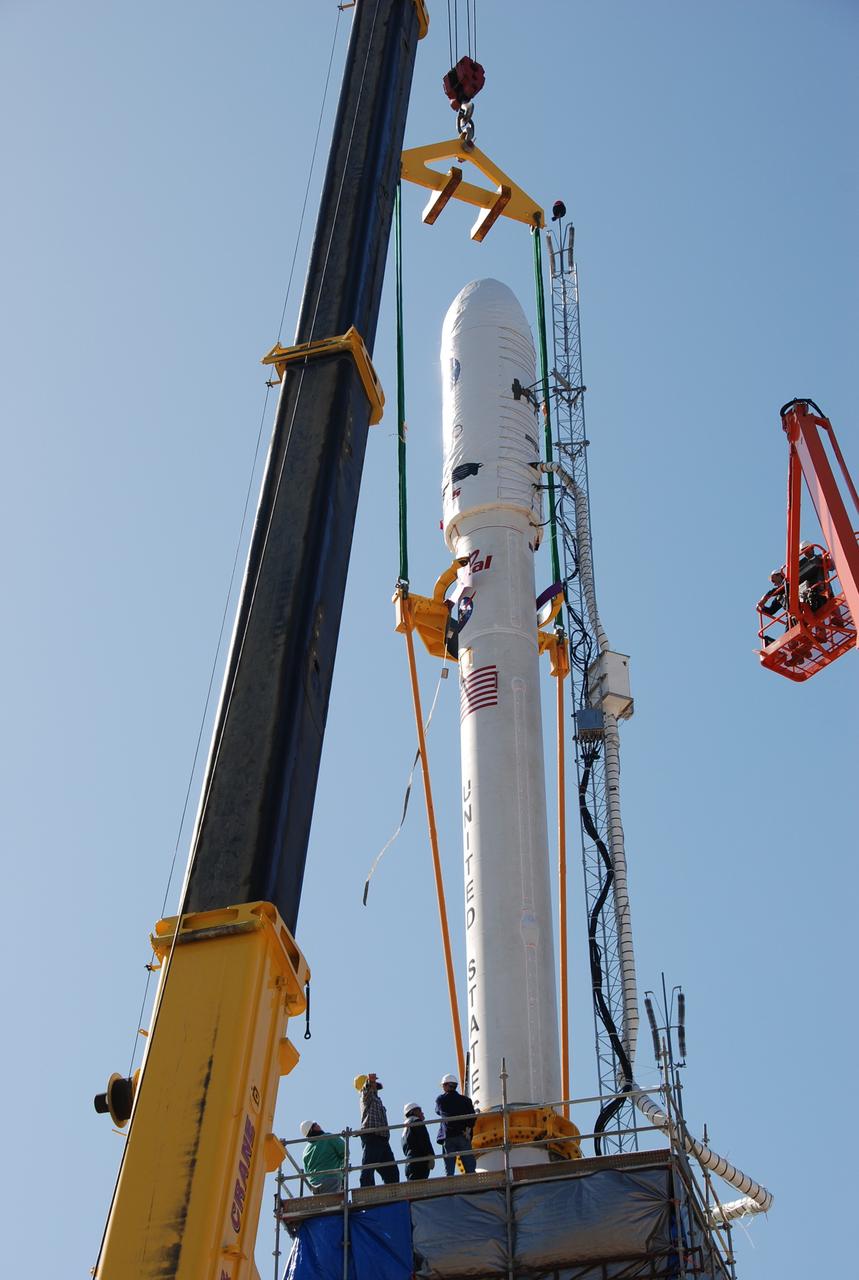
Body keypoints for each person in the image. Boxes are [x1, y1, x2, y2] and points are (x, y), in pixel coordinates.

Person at [355, 1072, 399, 1186]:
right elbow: (366, 1091)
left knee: (392, 1172)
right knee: (368, 1169)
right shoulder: (366, 1097)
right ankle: (366, 1192)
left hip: (382, 1138)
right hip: (372, 1136)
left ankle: (393, 1192)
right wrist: (369, 1082)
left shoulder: (376, 1099)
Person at [435, 1073, 476, 1175]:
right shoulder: (466, 1100)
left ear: (446, 1085)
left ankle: (449, 1185)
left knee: (449, 1169)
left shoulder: (441, 1099)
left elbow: (438, 1111)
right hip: (463, 1135)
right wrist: (467, 1129)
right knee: (469, 1167)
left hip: (449, 1136)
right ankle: (473, 1182)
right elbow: (472, 1117)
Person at [299, 1120, 346, 1195]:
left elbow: (307, 1172)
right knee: (333, 1205)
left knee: (321, 1205)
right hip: (331, 1180)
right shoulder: (327, 1137)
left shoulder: (305, 1151)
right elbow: (345, 1151)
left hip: (314, 1186)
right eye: (315, 1125)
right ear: (311, 1130)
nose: (318, 1125)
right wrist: (342, 1169)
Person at [402, 1103, 436, 1181]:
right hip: (419, 1162)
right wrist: (431, 1155)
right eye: (419, 1110)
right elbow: (424, 1140)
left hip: (410, 1163)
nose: (422, 1113)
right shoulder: (416, 1121)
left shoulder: (405, 1128)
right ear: (412, 1112)